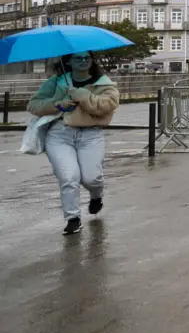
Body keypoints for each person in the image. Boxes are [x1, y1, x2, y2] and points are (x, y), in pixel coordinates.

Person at [27, 52, 121, 235]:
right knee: (69, 177)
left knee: (91, 178)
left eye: (87, 57)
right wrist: (57, 104)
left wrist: (83, 95)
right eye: (78, 58)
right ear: (68, 61)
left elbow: (107, 106)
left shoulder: (103, 83)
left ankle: (96, 196)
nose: (83, 61)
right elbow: (33, 105)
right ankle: (72, 218)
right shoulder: (57, 81)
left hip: (90, 135)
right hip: (59, 135)